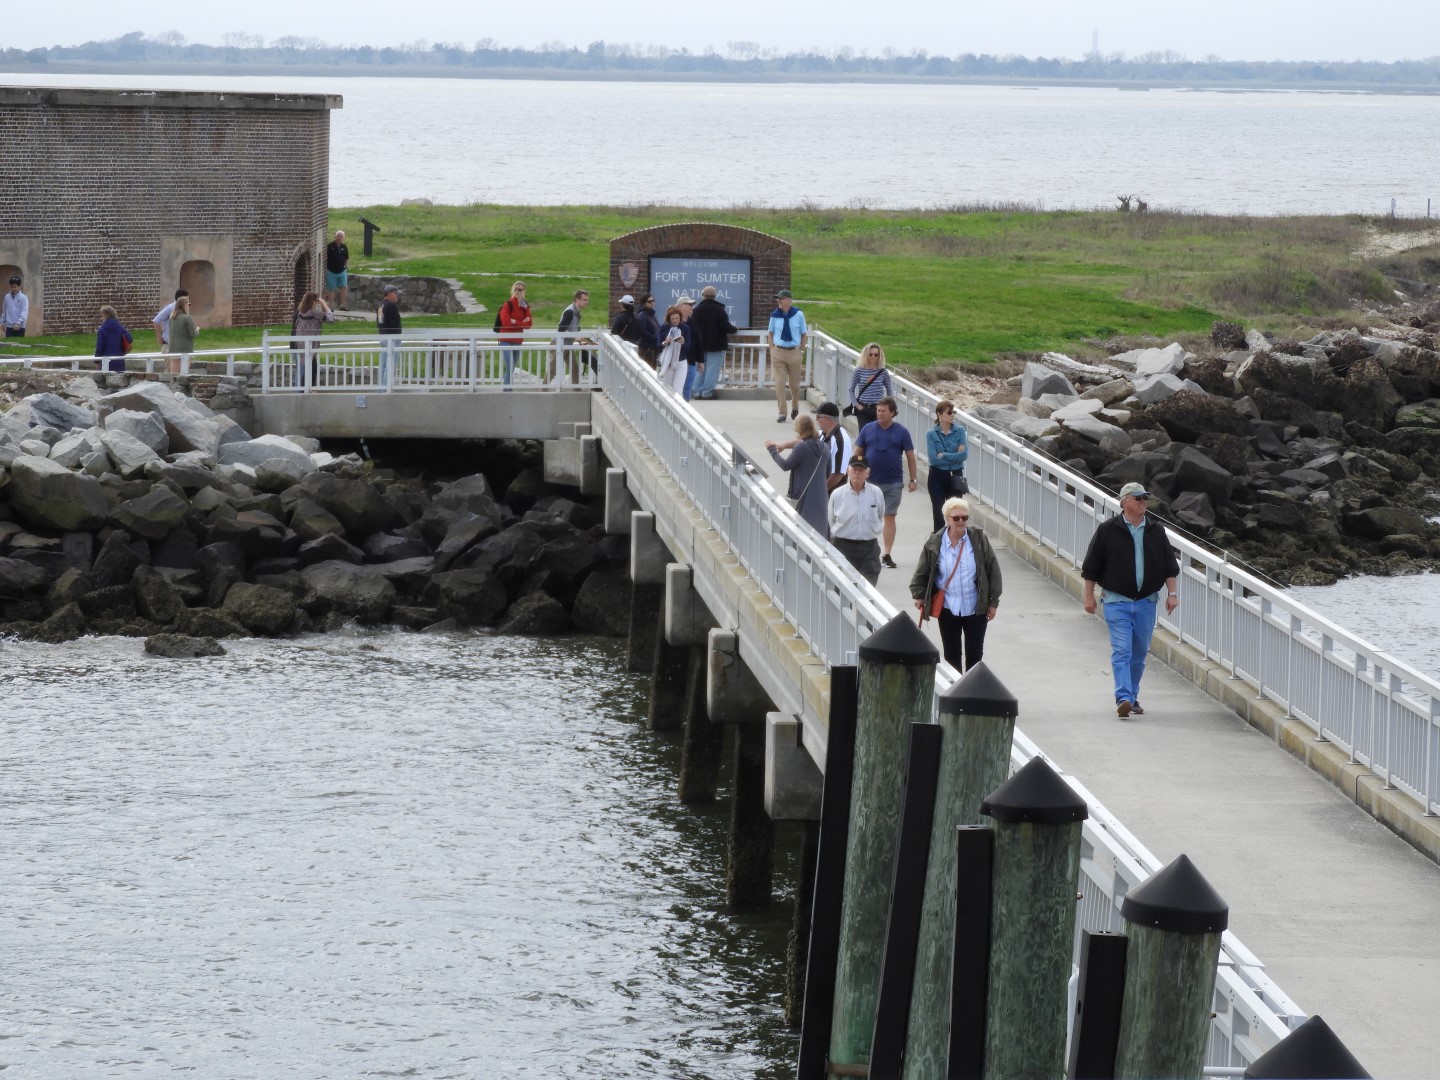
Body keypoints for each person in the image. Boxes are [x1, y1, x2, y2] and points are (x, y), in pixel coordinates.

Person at [1081, 482, 1181, 718]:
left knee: (1138, 654)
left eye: (1145, 497)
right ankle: (1123, 697)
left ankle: (1132, 697)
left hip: (1146, 602)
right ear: (1125, 502)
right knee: (1122, 651)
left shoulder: (1155, 531)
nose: (1143, 501)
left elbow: (1170, 566)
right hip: (1117, 601)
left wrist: (1173, 594)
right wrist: (1088, 597)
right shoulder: (1107, 530)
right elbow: (1091, 567)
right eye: (1138, 498)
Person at [910, 497, 1002, 672]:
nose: (961, 521)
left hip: (975, 607)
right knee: (951, 655)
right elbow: (922, 570)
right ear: (947, 518)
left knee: (975, 654)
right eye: (956, 518)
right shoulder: (934, 542)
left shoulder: (979, 540)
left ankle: (972, 692)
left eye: (965, 517)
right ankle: (955, 692)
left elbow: (993, 570)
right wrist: (919, 595)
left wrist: (993, 602)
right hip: (948, 607)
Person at [854, 397, 918, 569]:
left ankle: (887, 553)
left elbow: (910, 456)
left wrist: (913, 479)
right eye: (878, 410)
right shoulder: (868, 429)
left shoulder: (902, 432)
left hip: (893, 482)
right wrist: (855, 473)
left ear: (892, 413)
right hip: (870, 482)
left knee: (889, 516)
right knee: (869, 517)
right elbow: (858, 452)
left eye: (883, 411)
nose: (879, 413)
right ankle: (868, 551)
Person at [766, 414, 830, 538]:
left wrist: (772, 450)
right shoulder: (825, 448)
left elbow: (785, 465)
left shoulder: (802, 447)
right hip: (821, 498)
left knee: (801, 534)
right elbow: (828, 472)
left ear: (800, 429)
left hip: (803, 498)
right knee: (819, 535)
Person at [828, 456, 886, 586]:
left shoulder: (876, 493)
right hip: (843, 547)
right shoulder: (837, 494)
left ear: (868, 472)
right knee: (843, 589)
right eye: (855, 469)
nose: (858, 473)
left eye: (861, 469)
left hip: (869, 548)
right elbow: (831, 520)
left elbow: (880, 515)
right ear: (848, 471)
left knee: (868, 590)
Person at [926, 399, 970, 531]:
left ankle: (955, 540)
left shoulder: (960, 431)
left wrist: (944, 454)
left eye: (954, 412)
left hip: (955, 476)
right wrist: (955, 454)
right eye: (949, 412)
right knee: (939, 513)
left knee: (955, 513)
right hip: (937, 476)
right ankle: (939, 543)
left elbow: (964, 455)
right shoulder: (931, 434)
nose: (952, 415)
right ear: (939, 415)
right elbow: (934, 459)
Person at [690, 284, 738, 400]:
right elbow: (726, 326)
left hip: (699, 346)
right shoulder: (719, 310)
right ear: (715, 296)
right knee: (712, 369)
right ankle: (707, 393)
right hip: (716, 345)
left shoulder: (696, 310)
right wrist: (735, 329)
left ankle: (696, 392)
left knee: (699, 369)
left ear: (703, 295)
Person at [767, 289, 808, 423]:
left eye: (781, 299)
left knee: (794, 385)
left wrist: (801, 349)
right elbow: (770, 333)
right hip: (778, 352)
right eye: (777, 298)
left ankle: (795, 406)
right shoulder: (774, 315)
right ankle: (782, 412)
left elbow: (803, 333)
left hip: (794, 351)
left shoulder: (799, 314)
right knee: (779, 384)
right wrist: (772, 348)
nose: (778, 301)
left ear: (789, 300)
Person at [847, 342, 893, 429]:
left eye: (876, 355)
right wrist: (856, 405)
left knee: (877, 433)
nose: (873, 357)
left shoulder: (883, 372)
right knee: (864, 434)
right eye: (870, 354)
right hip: (863, 408)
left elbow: (889, 390)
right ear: (866, 355)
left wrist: (887, 406)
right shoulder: (859, 370)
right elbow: (851, 389)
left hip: (878, 409)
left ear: (879, 356)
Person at [294, 291, 334, 387]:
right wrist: (324, 303)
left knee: (307, 368)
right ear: (313, 302)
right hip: (310, 346)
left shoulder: (300, 312)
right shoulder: (313, 313)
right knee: (311, 369)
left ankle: (304, 388)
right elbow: (330, 318)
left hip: (300, 345)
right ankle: (307, 389)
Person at [498, 280, 532, 387]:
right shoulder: (508, 305)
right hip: (505, 339)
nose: (517, 291)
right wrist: (522, 322)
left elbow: (529, 323)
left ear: (523, 292)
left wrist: (515, 322)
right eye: (515, 289)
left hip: (517, 340)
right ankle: (506, 388)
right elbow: (506, 322)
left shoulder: (525, 306)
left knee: (512, 366)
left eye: (520, 289)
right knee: (510, 364)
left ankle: (507, 387)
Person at [557, 289, 594, 384]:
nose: (587, 302)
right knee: (552, 370)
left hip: (567, 345)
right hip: (558, 345)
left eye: (587, 300)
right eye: (584, 300)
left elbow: (575, 329)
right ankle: (544, 389)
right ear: (577, 300)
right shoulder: (569, 312)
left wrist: (585, 341)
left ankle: (577, 390)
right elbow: (561, 329)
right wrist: (575, 337)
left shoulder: (577, 312)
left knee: (575, 369)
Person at [656, 305, 687, 395]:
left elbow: (688, 347)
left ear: (680, 318)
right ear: (669, 319)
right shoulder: (664, 327)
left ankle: (679, 408)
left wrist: (682, 343)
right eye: (673, 318)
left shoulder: (685, 328)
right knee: (669, 388)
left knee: (678, 389)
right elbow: (658, 345)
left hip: (681, 361)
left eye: (677, 318)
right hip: (668, 361)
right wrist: (665, 342)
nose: (675, 320)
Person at [377, 284, 402, 387]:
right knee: (390, 364)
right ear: (390, 293)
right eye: (396, 293)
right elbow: (395, 323)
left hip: (383, 338)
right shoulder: (391, 306)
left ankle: (381, 388)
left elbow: (380, 322)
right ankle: (386, 388)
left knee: (383, 364)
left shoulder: (380, 306)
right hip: (392, 339)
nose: (397, 296)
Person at [167, 294, 199, 374]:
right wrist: (197, 330)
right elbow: (192, 335)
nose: (189, 306)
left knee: (173, 372)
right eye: (188, 304)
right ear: (184, 305)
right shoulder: (187, 317)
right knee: (184, 372)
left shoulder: (172, 317)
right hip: (185, 349)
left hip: (173, 348)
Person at [95, 305, 132, 372]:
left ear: (105, 315)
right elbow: (130, 339)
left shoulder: (102, 329)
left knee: (105, 380)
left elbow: (99, 347)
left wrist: (97, 361)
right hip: (119, 359)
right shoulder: (120, 327)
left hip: (105, 360)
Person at [676, 295, 699, 400]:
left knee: (687, 387)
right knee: (677, 387)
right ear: (681, 306)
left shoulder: (693, 322)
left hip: (691, 360)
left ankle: (685, 407)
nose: (691, 307)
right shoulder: (674, 321)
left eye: (692, 305)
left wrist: (700, 360)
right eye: (689, 304)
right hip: (677, 359)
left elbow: (698, 341)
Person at [152, 288, 189, 353]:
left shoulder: (184, 309)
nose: (188, 302)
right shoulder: (170, 308)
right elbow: (156, 320)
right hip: (169, 345)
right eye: (187, 299)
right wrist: (159, 338)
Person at [633, 293, 663, 368]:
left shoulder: (650, 314)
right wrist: (655, 338)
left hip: (653, 348)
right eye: (649, 301)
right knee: (648, 370)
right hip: (647, 349)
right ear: (644, 303)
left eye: (653, 301)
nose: (652, 303)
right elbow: (642, 332)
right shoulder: (642, 315)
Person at [325, 230, 350, 309]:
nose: (339, 238)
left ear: (343, 238)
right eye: (338, 236)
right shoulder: (329, 246)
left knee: (344, 287)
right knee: (331, 289)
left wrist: (346, 266)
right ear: (335, 237)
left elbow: (346, 258)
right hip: (331, 271)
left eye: (341, 236)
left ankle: (342, 305)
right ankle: (330, 306)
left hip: (342, 271)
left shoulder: (344, 247)